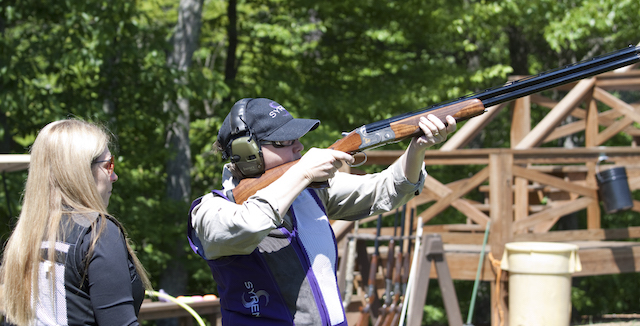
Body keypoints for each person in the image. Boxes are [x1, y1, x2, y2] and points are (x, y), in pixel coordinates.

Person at [187, 98, 456, 325]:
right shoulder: (211, 210)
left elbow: (386, 190)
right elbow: (249, 224)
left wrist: (417, 149)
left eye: (296, 138)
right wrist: (303, 173)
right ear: (246, 152)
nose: (299, 147)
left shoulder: (310, 193)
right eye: (283, 141)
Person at [0, 119, 152, 326]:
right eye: (109, 165)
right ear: (80, 170)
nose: (114, 176)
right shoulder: (98, 233)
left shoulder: (23, 237)